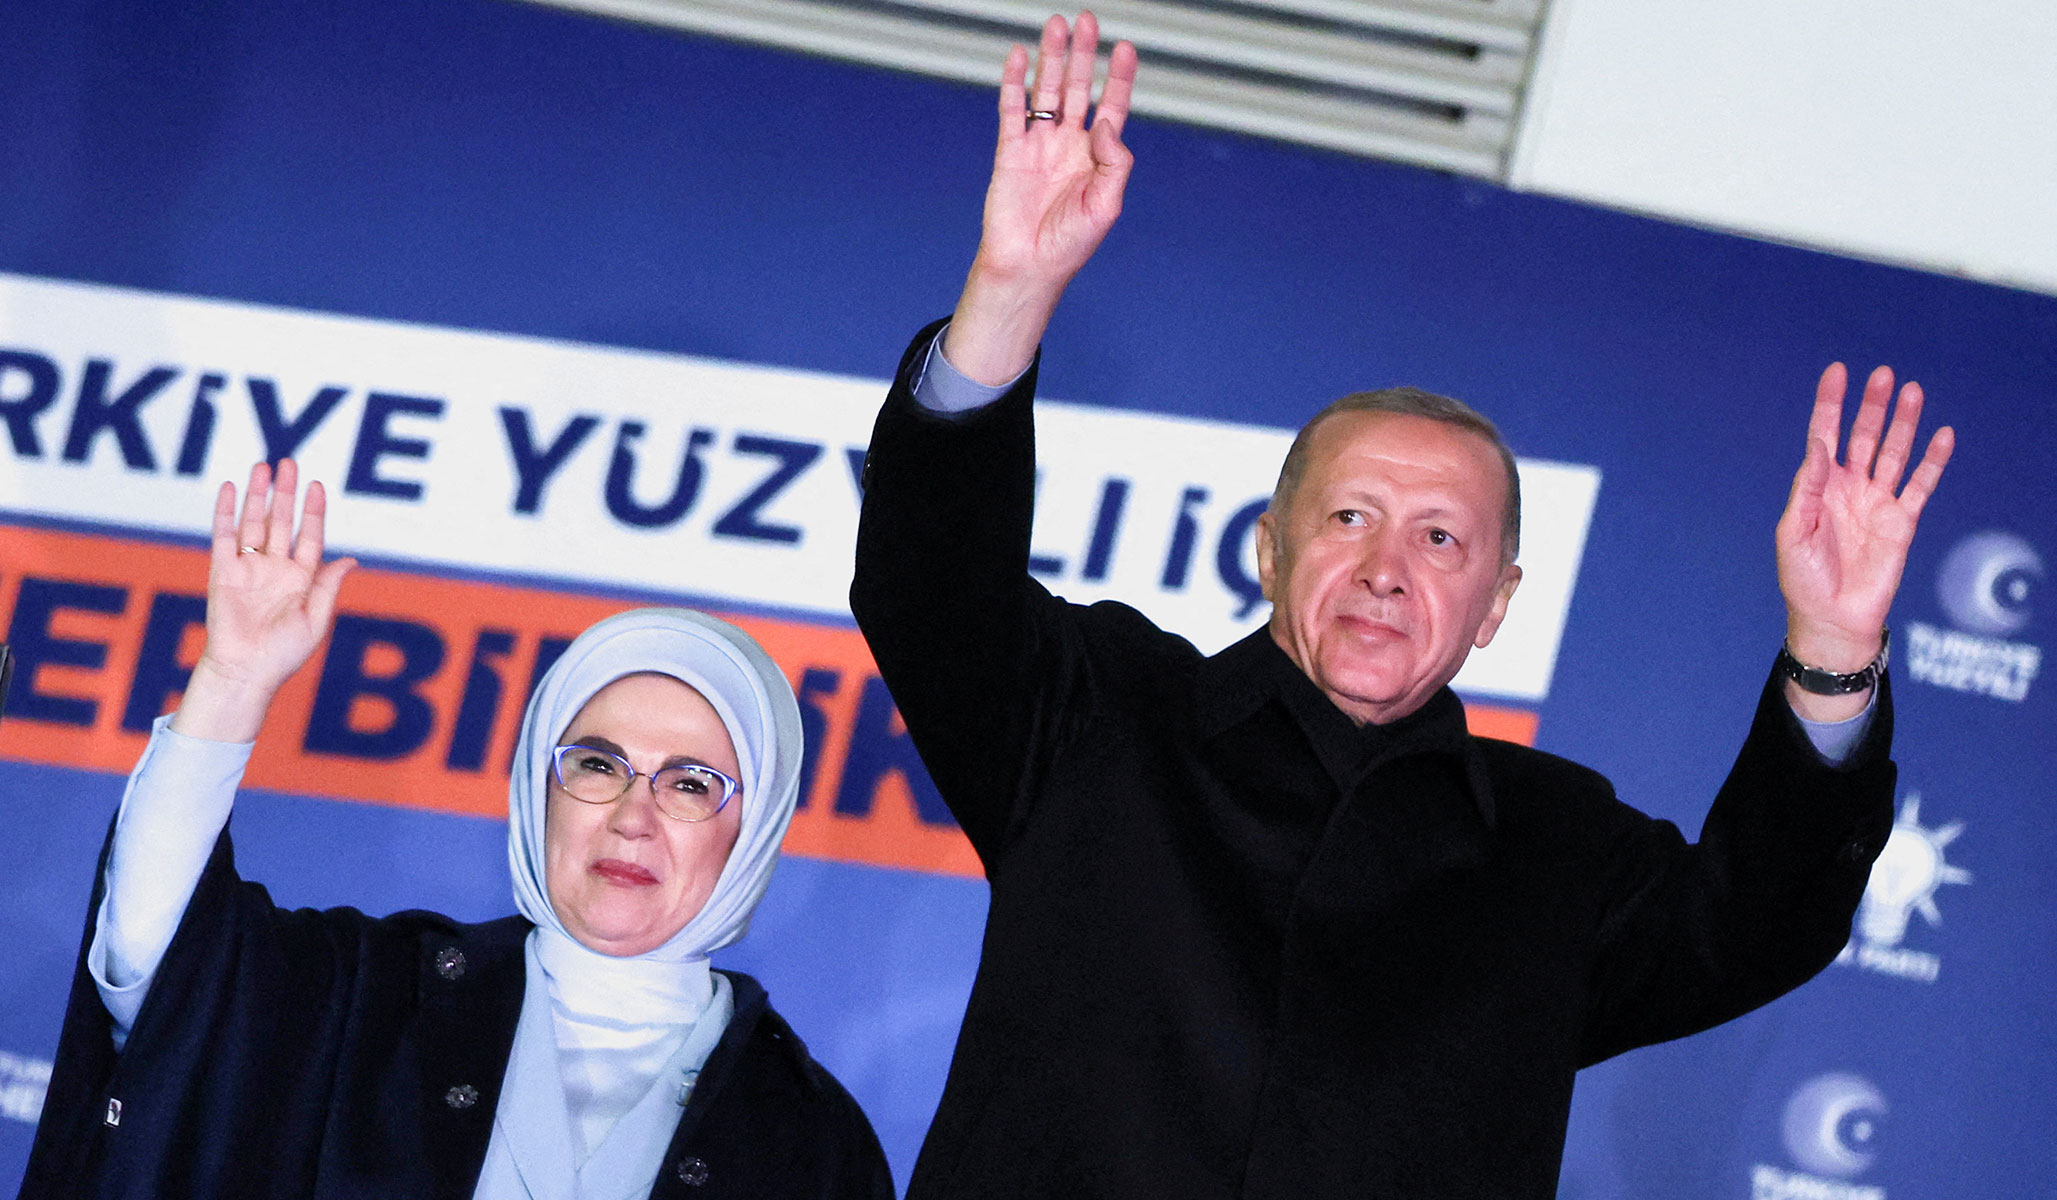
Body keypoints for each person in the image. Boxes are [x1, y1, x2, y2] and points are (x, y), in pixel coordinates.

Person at [849, 11, 1955, 1199]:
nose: (1385, 567)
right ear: (1268, 549)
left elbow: (1760, 920)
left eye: (1438, 539)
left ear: (1494, 606)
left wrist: (1832, 646)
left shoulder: (1553, 848)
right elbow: (928, 586)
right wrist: (1009, 291)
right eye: (1348, 517)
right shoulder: (1098, 718)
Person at [21, 460, 894, 1199]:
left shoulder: (812, 1141)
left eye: (692, 784)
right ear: (538, 789)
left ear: (753, 829)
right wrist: (232, 681)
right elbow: (159, 957)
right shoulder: (370, 996)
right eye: (597, 765)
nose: (634, 817)